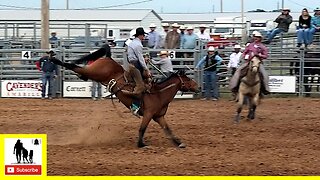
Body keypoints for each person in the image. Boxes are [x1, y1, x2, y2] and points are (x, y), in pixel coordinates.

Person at [122, 27, 152, 116]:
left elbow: (137, 57)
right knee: (141, 86)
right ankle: (134, 106)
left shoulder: (132, 43)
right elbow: (140, 58)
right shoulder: (138, 45)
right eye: (143, 35)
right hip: (135, 67)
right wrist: (146, 69)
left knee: (144, 83)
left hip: (132, 65)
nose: (144, 37)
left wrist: (143, 60)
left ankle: (142, 104)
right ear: (141, 35)